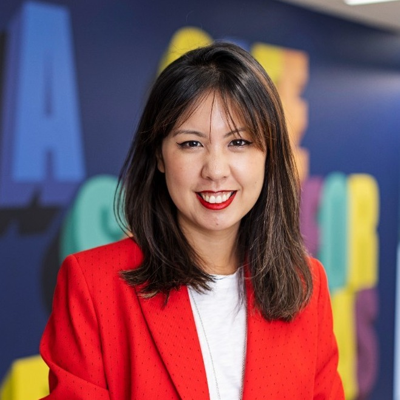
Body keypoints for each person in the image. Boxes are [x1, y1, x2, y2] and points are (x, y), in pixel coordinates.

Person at [40, 42, 344, 399]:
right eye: (191, 144)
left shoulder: (306, 285)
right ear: (159, 155)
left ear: (268, 154)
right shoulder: (94, 285)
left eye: (239, 142)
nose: (215, 170)